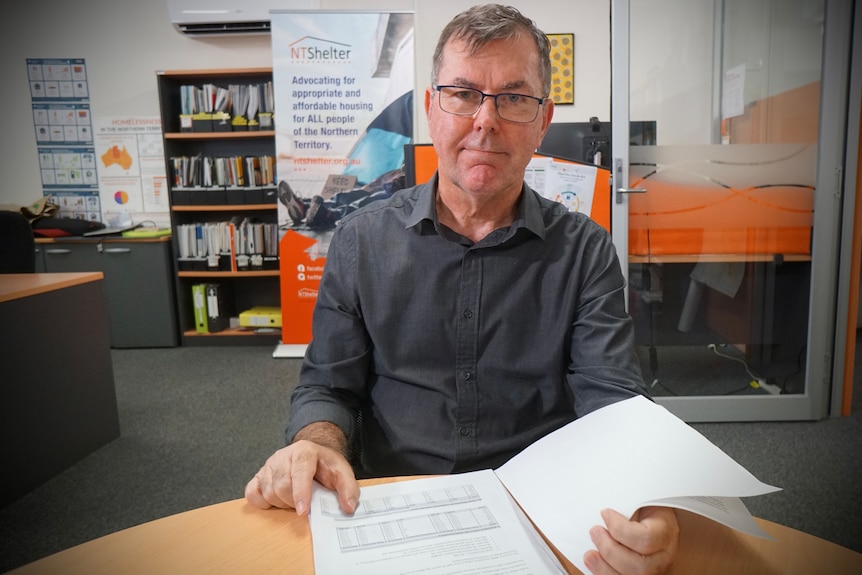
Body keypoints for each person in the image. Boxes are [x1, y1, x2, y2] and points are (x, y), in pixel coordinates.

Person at [247, 4, 679, 573]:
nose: (485, 121)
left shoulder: (585, 250)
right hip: (388, 509)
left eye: (514, 98)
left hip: (540, 515)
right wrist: (319, 446)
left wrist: (647, 499)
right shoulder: (359, 243)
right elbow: (329, 387)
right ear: (431, 108)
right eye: (463, 93)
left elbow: (613, 403)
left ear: (543, 119)